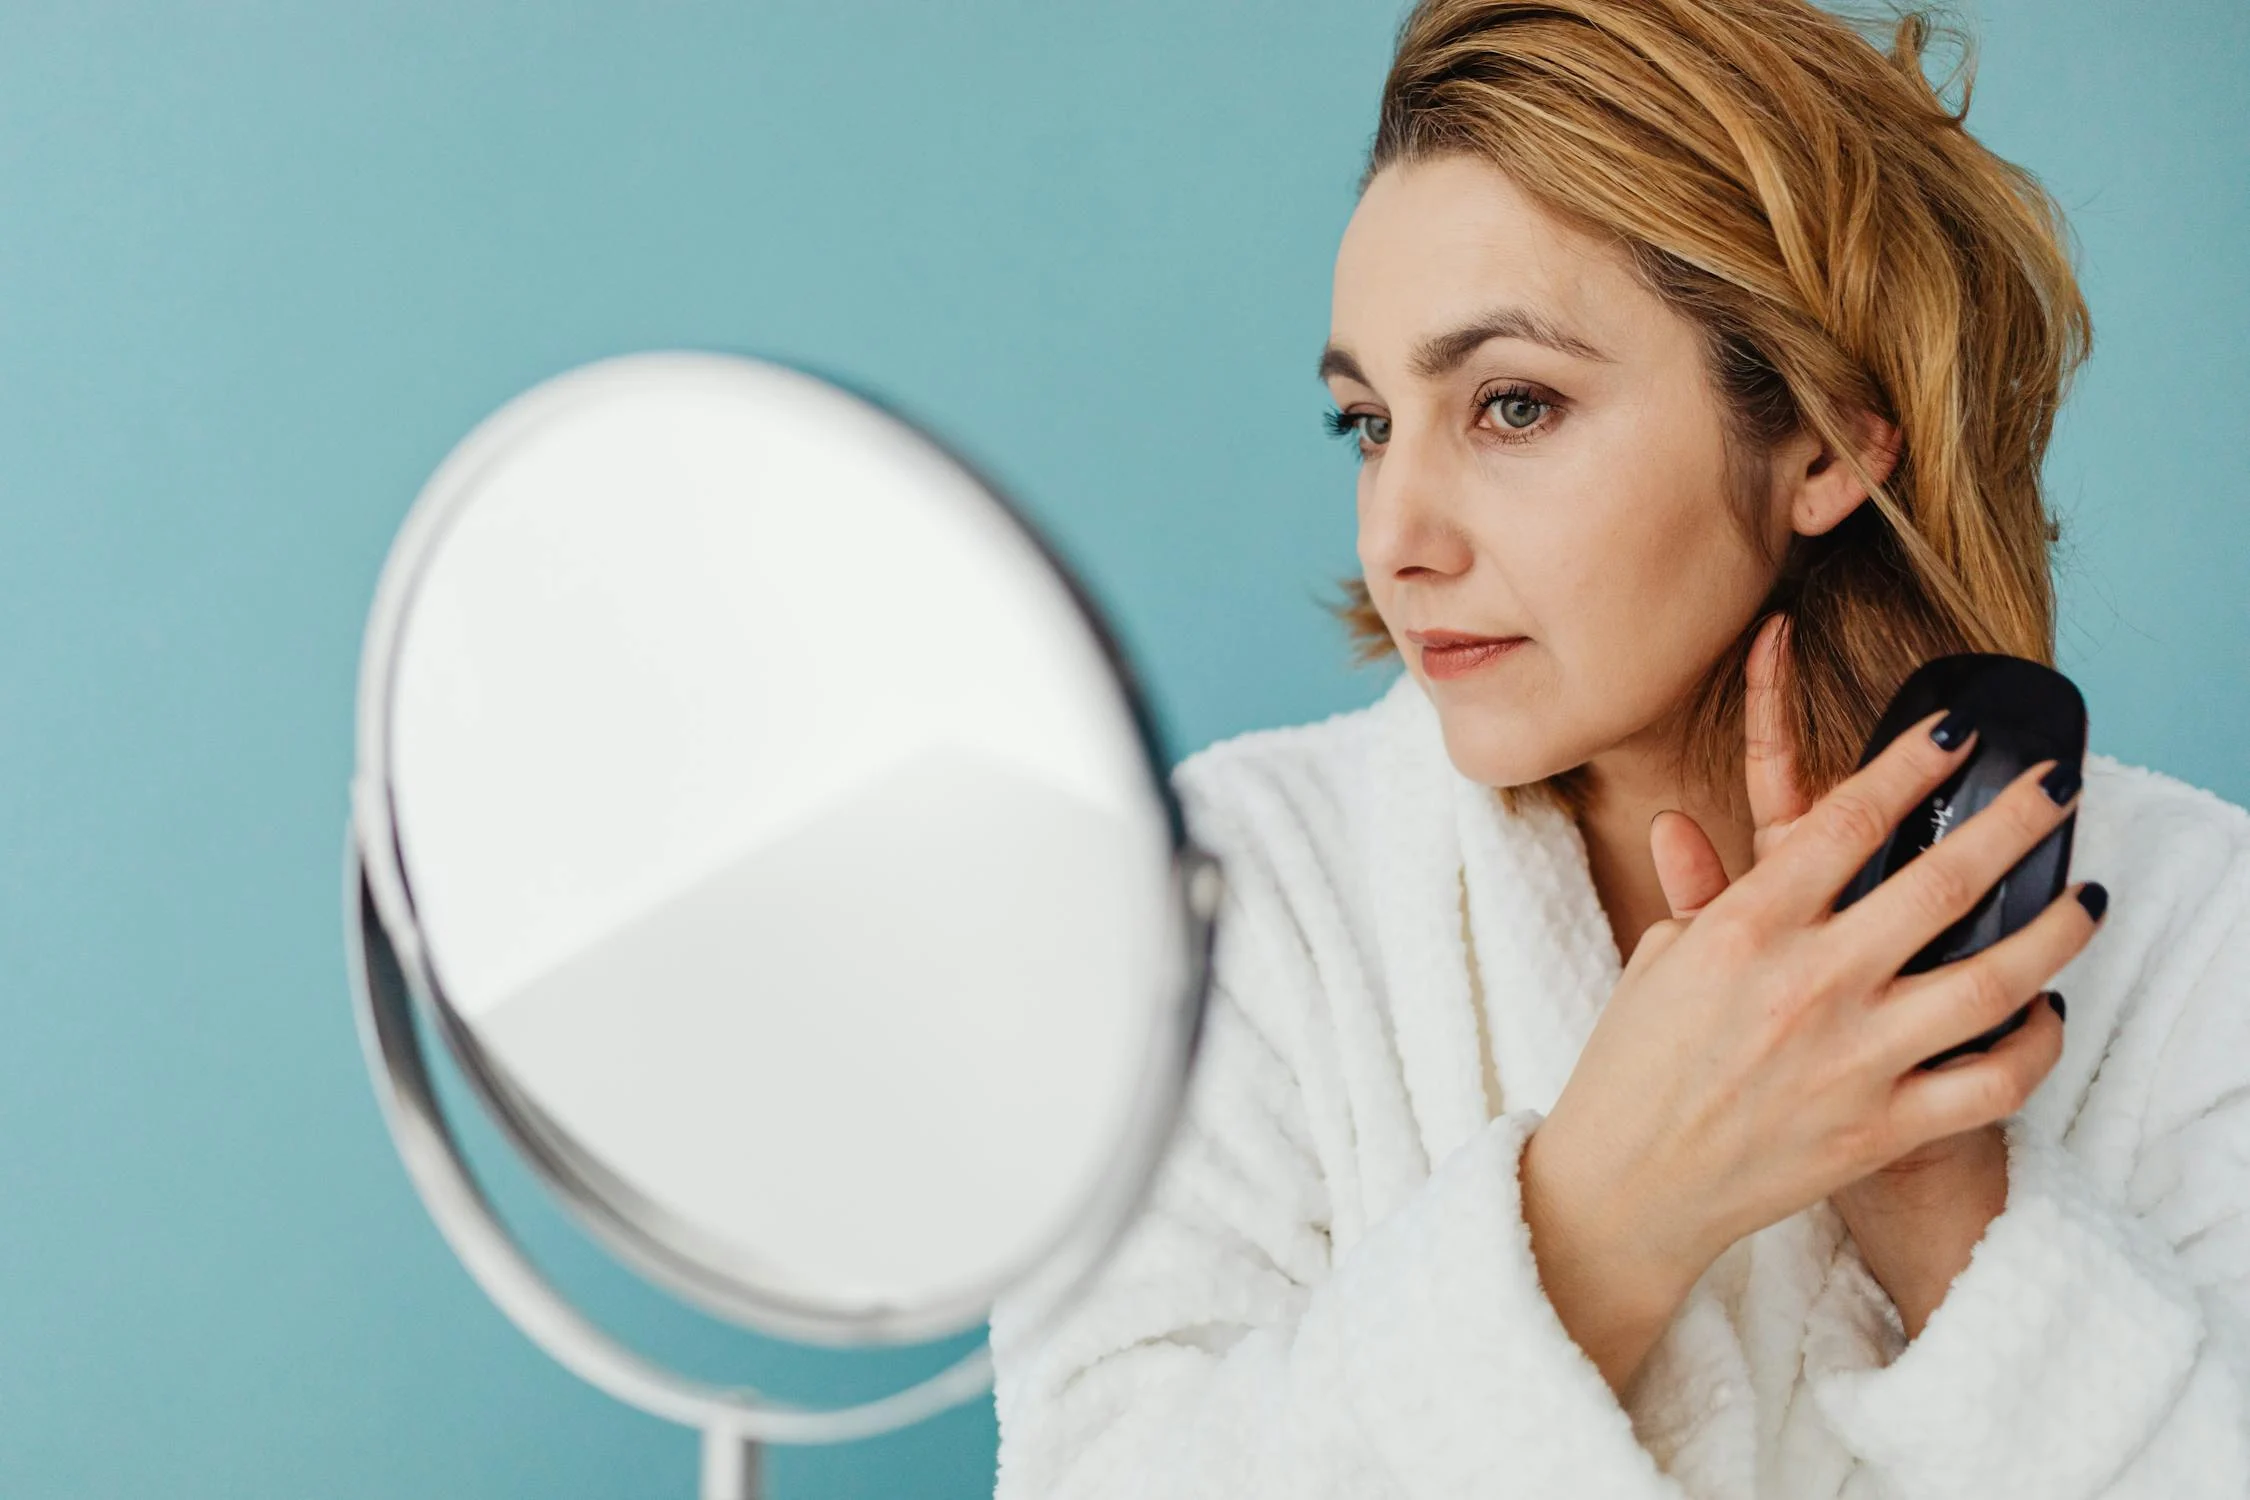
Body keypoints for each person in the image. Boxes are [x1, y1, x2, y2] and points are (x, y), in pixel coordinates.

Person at [987, 2, 2250, 1495]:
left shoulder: (2190, 931)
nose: (1394, 539)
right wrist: (1598, 1221)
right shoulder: (1235, 897)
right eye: (1368, 423)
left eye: (1511, 406)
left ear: (1827, 440)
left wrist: (1943, 1206)